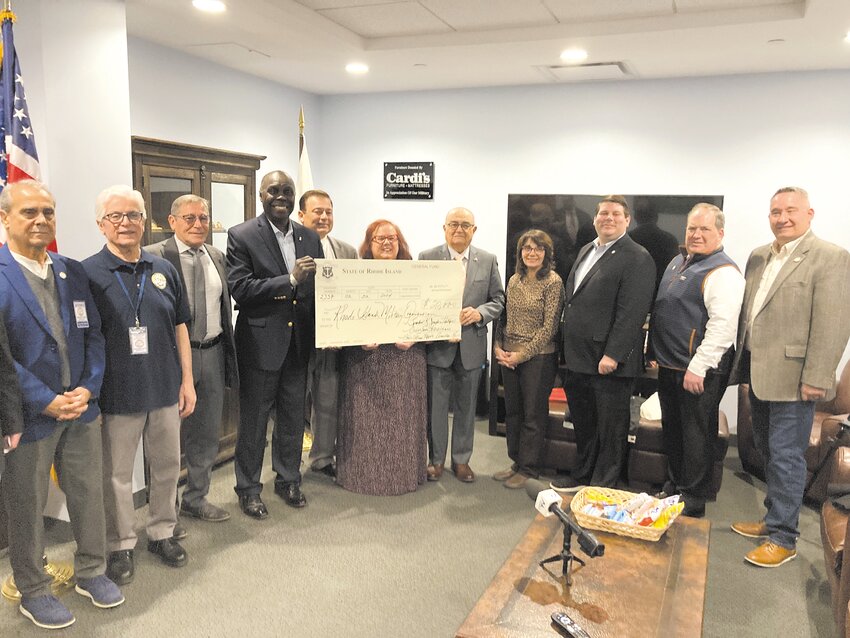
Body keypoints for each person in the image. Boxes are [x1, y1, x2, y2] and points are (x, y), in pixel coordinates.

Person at [0, 180, 123, 629]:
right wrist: (46, 399)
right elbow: (2, 359)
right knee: (27, 503)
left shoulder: (71, 270)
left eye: (48, 212)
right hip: (31, 416)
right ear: (5, 218)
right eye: (29, 212)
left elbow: (93, 336)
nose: (41, 220)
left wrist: (87, 388)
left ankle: (92, 569)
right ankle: (33, 589)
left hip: (81, 408)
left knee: (90, 493)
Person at [730, 187, 850, 567]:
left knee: (786, 457)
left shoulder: (830, 257)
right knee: (767, 450)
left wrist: (817, 376)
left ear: (810, 213)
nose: (781, 217)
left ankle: (784, 537)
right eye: (775, 211)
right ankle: (772, 518)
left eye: (790, 210)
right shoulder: (759, 256)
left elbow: (833, 322)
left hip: (797, 379)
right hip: (759, 371)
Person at [83, 185, 196, 585]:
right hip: (116, 393)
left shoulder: (163, 268)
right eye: (116, 216)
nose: (126, 223)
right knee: (116, 475)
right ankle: (120, 543)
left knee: (166, 466)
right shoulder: (87, 273)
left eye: (133, 215)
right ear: (101, 225)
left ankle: (162, 531)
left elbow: (180, 326)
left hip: (165, 387)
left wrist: (188, 380)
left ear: (145, 221)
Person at [226, 170, 322, 518]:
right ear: (261, 195)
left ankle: (288, 479)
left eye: (287, 191)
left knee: (293, 419)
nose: (280, 197)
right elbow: (241, 289)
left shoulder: (309, 236)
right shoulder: (242, 236)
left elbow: (317, 291)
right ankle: (248, 488)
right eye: (273, 191)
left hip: (298, 344)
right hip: (260, 345)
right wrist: (290, 279)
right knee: (253, 423)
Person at [552, 195, 655, 492]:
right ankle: (582, 475)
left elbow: (632, 311)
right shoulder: (587, 249)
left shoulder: (637, 256)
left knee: (611, 430)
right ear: (595, 219)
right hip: (578, 357)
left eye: (615, 214)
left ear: (627, 220)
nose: (607, 218)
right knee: (585, 424)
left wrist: (613, 354)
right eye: (602, 214)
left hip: (607, 361)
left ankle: (603, 484)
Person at [145, 195, 237, 523]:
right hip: (170, 361)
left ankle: (196, 498)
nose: (198, 225)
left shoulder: (216, 256)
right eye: (189, 218)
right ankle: (164, 513)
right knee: (166, 441)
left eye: (204, 218)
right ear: (172, 221)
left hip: (212, 352)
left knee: (206, 434)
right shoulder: (153, 257)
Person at [650, 203, 744, 518]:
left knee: (695, 435)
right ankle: (675, 485)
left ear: (720, 233)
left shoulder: (723, 272)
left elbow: (722, 328)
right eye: (692, 228)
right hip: (670, 366)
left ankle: (693, 498)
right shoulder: (679, 261)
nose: (696, 234)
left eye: (704, 229)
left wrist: (698, 367)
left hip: (698, 371)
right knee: (673, 429)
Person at [336, 219, 428, 495]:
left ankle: (403, 477)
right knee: (365, 423)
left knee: (402, 422)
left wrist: (415, 337)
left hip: (406, 360)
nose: (387, 243)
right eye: (380, 239)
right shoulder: (353, 275)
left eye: (392, 238)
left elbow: (428, 313)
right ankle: (362, 477)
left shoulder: (416, 274)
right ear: (369, 243)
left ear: (400, 243)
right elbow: (341, 314)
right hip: (365, 361)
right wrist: (358, 341)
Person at [419, 207, 504, 482]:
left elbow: (498, 300)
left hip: (471, 346)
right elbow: (418, 297)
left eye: (465, 225)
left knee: (467, 408)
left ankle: (461, 461)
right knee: (436, 408)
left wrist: (481, 313)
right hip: (438, 347)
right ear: (444, 228)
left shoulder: (488, 260)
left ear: (474, 230)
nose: (459, 229)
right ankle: (435, 461)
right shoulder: (427, 257)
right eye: (453, 224)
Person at [493, 230, 565, 489]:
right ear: (520, 253)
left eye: (538, 249)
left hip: (538, 358)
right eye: (527, 248)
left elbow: (550, 328)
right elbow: (504, 318)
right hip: (509, 355)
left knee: (532, 414)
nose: (532, 253)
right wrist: (498, 347)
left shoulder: (553, 282)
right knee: (513, 412)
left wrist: (522, 354)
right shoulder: (514, 280)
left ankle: (529, 468)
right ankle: (516, 461)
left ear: (547, 254)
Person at [297, 189, 357, 479]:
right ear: (301, 215)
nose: (323, 217)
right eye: (316, 211)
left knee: (327, 400)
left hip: (333, 343)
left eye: (328, 212)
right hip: (297, 339)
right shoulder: (290, 248)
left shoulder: (346, 251)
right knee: (293, 403)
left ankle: (321, 458)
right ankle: (287, 463)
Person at [629, 196, 680, 296]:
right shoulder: (670, 239)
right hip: (662, 293)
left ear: (635, 217)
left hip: (632, 293)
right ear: (656, 216)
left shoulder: (628, 239)